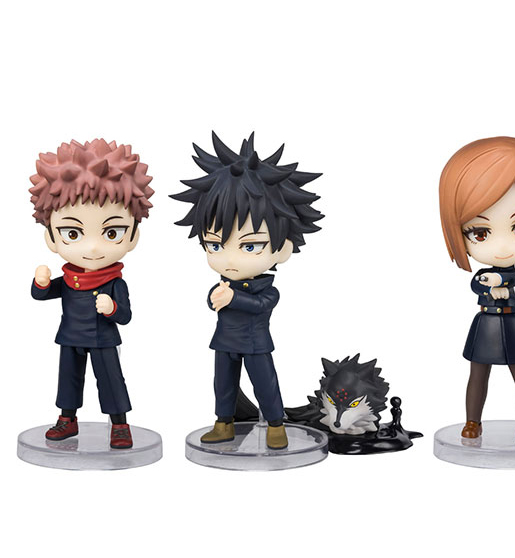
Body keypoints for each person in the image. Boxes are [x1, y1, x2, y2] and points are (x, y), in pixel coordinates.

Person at [171, 132, 323, 449]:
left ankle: (276, 426)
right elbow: (215, 300)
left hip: (256, 344)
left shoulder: (268, 289)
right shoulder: (224, 282)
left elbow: (262, 304)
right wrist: (216, 297)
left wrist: (233, 297)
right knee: (223, 385)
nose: (229, 259)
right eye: (215, 245)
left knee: (265, 385)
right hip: (225, 342)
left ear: (283, 249)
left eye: (250, 246)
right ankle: (223, 423)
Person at [30, 139, 154, 449]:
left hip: (102, 338)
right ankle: (67, 418)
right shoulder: (69, 278)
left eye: (112, 233)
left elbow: (125, 316)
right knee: (68, 379)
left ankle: (119, 424)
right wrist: (41, 283)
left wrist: (111, 308)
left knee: (111, 380)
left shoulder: (114, 282)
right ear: (51, 238)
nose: (94, 247)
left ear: (133, 236)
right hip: (71, 336)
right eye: (73, 233)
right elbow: (44, 294)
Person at [439, 137, 515, 442]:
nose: (502, 247)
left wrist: (504, 284)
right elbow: (477, 283)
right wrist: (491, 283)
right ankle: (472, 422)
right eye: (480, 233)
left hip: (513, 325)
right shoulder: (482, 277)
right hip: (486, 324)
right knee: (477, 374)